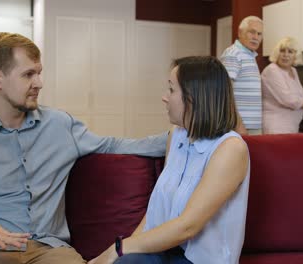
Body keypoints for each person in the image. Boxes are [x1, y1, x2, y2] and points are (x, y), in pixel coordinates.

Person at [0, 32, 167, 264]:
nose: (39, 83)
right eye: (28, 74)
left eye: (39, 73)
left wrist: (183, 135)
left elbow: (114, 145)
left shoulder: (60, 125)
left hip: (49, 250)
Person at [89, 56, 250, 264]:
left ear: (194, 97)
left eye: (172, 90)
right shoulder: (177, 135)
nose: (165, 97)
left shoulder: (230, 148)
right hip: (165, 251)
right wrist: (125, 250)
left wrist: (118, 249)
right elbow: (156, 209)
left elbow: (187, 226)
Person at [261, 37, 303, 134]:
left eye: (290, 52)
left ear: (296, 55)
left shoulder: (293, 71)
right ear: (277, 53)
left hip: (291, 126)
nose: (285, 55)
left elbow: (301, 97)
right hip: (276, 126)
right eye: (282, 51)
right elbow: (288, 100)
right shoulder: (272, 70)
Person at [221, 16, 263, 135]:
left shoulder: (249, 55)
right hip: (240, 127)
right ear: (240, 32)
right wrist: (238, 124)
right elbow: (225, 92)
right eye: (252, 32)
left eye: (259, 34)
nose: (256, 37)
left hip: (251, 126)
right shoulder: (233, 54)